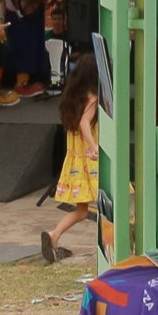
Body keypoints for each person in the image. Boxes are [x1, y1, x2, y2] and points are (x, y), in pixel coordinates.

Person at [42, 63, 98, 262]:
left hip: (75, 161)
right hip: (91, 161)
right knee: (113, 203)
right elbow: (85, 122)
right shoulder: (93, 98)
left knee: (82, 211)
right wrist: (93, 147)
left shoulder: (72, 100)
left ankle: (54, 234)